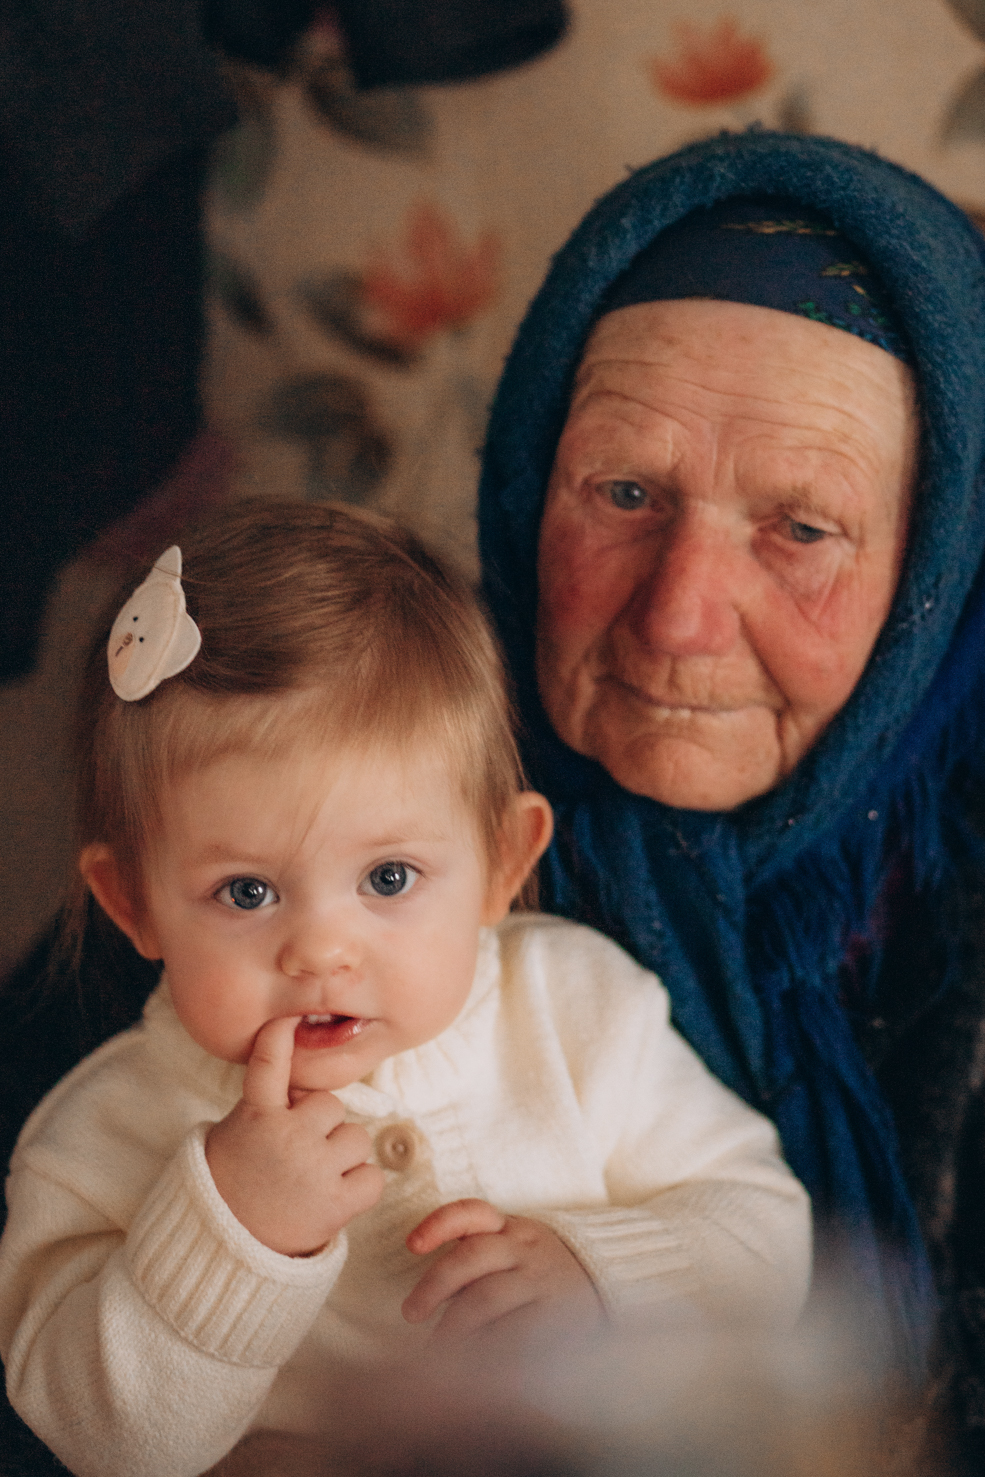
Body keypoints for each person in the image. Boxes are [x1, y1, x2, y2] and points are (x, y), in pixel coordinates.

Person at [0, 501, 809, 1477]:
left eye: (388, 878)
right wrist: (229, 1233)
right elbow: (97, 1440)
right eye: (246, 892)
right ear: (134, 904)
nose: (321, 951)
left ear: (502, 862)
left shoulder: (577, 1011)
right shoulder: (103, 1133)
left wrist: (599, 1277)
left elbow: (768, 1233)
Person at [478, 129, 985, 1467]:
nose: (681, 614)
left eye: (801, 528)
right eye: (625, 492)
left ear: (936, 570)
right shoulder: (348, 786)